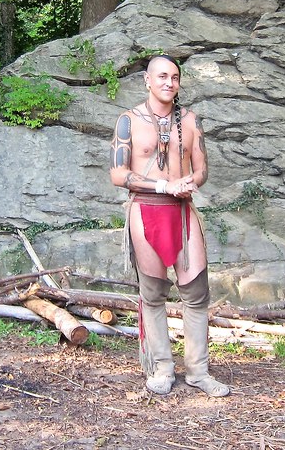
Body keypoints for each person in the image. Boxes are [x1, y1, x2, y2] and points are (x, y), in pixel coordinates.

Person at [109, 55, 230, 397]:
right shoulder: (128, 121)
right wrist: (163, 186)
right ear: (147, 80)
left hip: (182, 210)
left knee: (196, 292)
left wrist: (193, 179)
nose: (169, 82)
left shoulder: (190, 120)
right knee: (153, 293)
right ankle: (161, 367)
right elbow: (118, 174)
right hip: (146, 209)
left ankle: (198, 371)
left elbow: (203, 169)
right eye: (162, 76)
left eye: (175, 77)